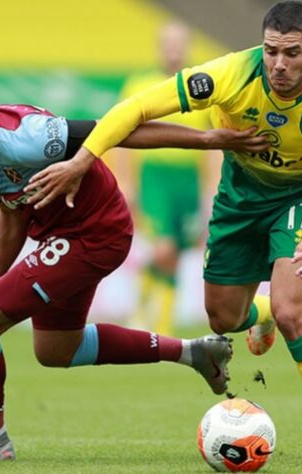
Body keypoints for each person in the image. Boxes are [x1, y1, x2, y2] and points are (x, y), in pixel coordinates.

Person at [27, 1, 302, 464]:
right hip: (238, 200)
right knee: (223, 318)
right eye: (271, 51)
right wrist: (82, 160)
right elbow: (137, 107)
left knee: (295, 312)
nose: (279, 65)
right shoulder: (231, 74)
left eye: (291, 54)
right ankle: (262, 313)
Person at [0, 67, 269, 463]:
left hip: (96, 232)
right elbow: (12, 213)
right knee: (57, 349)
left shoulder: (28, 137)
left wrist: (208, 139)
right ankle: (194, 353)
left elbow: (117, 129)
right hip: (64, 237)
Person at [117, 20, 217, 335]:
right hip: (154, 177)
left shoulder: (202, 89)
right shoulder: (138, 85)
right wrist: (126, 181)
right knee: (163, 248)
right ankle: (146, 313)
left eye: (179, 43)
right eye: (168, 44)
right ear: (160, 47)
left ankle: (161, 322)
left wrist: (211, 188)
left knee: (176, 252)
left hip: (187, 179)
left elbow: (214, 142)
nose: (173, 50)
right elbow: (120, 135)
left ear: (187, 47)